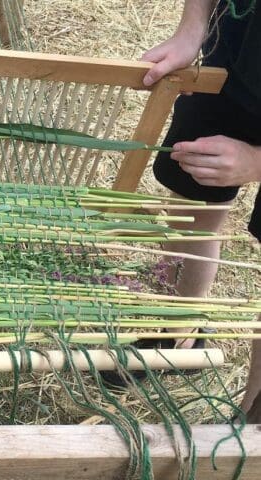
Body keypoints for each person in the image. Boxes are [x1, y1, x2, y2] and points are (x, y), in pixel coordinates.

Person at [141, 0, 261, 420]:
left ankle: (250, 426)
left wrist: (257, 161)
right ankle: (179, 331)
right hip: (235, 57)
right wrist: (192, 30)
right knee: (194, 204)